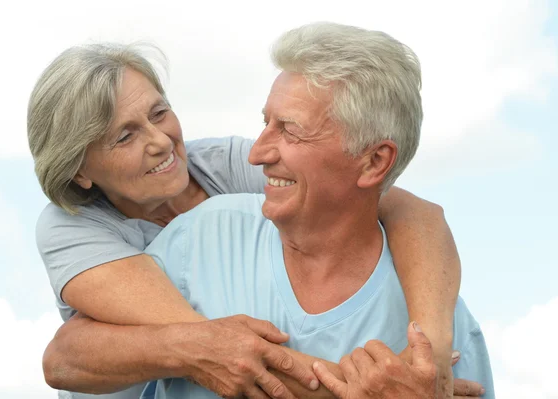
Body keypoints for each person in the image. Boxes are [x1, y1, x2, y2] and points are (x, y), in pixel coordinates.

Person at [29, 33, 466, 399]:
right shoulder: (70, 228)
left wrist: (430, 353)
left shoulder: (224, 164)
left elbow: (399, 205)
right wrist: (381, 389)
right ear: (79, 170)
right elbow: (225, 350)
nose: (160, 141)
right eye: (125, 136)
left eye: (159, 113)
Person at [133, 22, 494, 398]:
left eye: (290, 130)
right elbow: (70, 357)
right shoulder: (199, 236)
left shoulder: (441, 336)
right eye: (266, 122)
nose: (257, 154)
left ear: (374, 161)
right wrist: (195, 349)